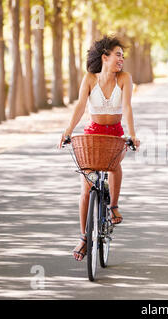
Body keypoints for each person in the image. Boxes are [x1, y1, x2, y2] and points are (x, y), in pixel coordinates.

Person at [58, 35, 140, 261]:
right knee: (85, 188)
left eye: (123, 56)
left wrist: (132, 135)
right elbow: (80, 106)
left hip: (114, 132)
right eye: (118, 55)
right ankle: (84, 237)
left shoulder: (124, 78)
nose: (121, 59)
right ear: (105, 57)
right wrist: (67, 131)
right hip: (92, 133)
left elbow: (127, 107)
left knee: (114, 166)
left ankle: (113, 205)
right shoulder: (90, 79)